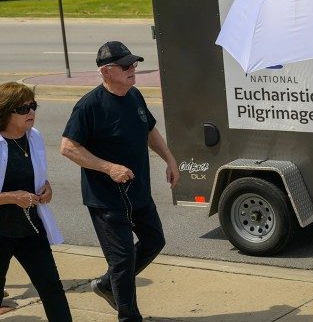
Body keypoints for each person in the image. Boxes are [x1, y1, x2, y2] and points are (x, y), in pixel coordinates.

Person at [60, 41, 180, 322]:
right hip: (107, 199)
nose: (132, 69)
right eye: (125, 66)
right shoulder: (90, 106)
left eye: (134, 64)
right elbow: (68, 147)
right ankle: (129, 316)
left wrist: (170, 160)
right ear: (106, 71)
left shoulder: (134, 95)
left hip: (137, 192)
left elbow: (149, 130)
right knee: (122, 260)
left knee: (154, 241)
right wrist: (108, 167)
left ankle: (105, 285)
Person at [0, 82, 71, 321]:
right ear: (4, 112)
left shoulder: (34, 137)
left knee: (52, 287)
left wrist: (46, 188)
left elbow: (36, 175)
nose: (31, 112)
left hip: (31, 228)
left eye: (33, 106)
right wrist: (11, 198)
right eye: (22, 109)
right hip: (1, 231)